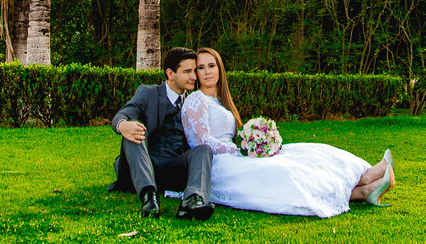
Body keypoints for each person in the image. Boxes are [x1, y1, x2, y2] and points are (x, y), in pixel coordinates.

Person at [180, 47, 395, 218]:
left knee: (308, 152)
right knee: (285, 170)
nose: (207, 71)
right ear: (196, 74)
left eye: (212, 65)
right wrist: (238, 150)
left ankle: (366, 183)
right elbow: (203, 140)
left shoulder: (221, 101)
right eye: (201, 68)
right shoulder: (196, 99)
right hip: (217, 162)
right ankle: (366, 187)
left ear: (220, 69)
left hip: (232, 154)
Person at [109, 47, 215, 220]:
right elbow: (122, 115)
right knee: (135, 129)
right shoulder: (148, 93)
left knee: (203, 150)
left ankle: (192, 200)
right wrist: (122, 125)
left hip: (173, 170)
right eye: (187, 71)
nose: (194, 77)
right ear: (170, 73)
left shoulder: (193, 103)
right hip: (141, 166)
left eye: (195, 71)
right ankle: (149, 196)